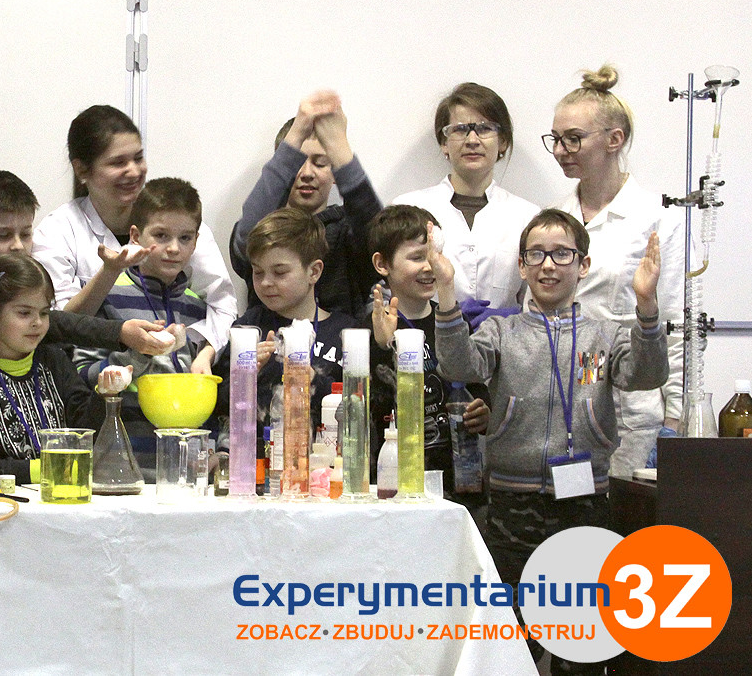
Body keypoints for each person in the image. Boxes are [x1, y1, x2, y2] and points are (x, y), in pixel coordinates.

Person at [433, 209, 666, 672]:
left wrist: (646, 307)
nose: (548, 265)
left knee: (580, 653)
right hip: (509, 514)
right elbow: (459, 365)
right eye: (536, 254)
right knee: (503, 652)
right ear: (522, 266)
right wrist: (446, 293)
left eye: (562, 254)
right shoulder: (501, 331)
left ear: (583, 265)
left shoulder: (605, 335)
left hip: (585, 510)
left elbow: (647, 373)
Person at [0, 170, 170, 436]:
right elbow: (59, 324)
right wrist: (119, 331)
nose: (17, 246)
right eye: (3, 235)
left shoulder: (53, 361)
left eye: (25, 234)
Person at [545, 65, 688, 476]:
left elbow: (675, 324)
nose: (561, 150)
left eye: (573, 138)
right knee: (570, 512)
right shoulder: (554, 218)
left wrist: (675, 419)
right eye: (555, 139)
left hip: (631, 409)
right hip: (562, 402)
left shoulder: (657, 219)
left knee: (627, 511)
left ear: (614, 139)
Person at [33, 104, 238, 352]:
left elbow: (223, 305)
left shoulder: (180, 223)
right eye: (118, 162)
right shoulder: (57, 231)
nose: (133, 171)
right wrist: (109, 273)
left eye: (138, 158)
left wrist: (201, 352)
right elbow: (57, 325)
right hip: (90, 370)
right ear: (81, 169)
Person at [0, 253, 122, 485]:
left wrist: (103, 396)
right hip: (4, 500)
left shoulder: (56, 363)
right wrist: (37, 470)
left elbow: (84, 433)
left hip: (62, 494)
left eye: (44, 312)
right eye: (24, 313)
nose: (37, 322)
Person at [71, 177, 208, 467]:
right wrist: (138, 354)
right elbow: (83, 374)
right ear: (135, 236)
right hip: (121, 460)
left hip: (182, 465)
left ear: (196, 240)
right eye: (161, 235)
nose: (174, 248)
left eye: (185, 238)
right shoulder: (108, 295)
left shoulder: (197, 307)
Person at [364, 205, 490, 508]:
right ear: (382, 264)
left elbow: (474, 383)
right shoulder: (369, 331)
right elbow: (367, 408)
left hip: (458, 482)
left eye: (435, 255)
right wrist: (382, 346)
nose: (429, 266)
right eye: (418, 257)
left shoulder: (451, 322)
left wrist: (483, 411)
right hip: (392, 484)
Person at [205, 208, 360, 443]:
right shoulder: (248, 329)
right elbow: (217, 404)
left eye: (280, 272)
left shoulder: (346, 333)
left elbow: (359, 410)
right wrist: (244, 376)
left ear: (314, 271)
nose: (266, 282)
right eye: (258, 272)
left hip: (327, 459)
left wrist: (313, 380)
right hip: (258, 458)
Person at [229, 90, 383, 317]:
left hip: (341, 338)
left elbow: (379, 237)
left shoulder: (346, 233)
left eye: (320, 163)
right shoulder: (265, 230)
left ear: (335, 173)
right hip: (268, 337)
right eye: (297, 163)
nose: (307, 173)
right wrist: (296, 134)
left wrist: (339, 146)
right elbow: (247, 237)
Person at [393, 82, 540, 316]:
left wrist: (506, 319)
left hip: (504, 338)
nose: (472, 140)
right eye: (460, 129)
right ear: (444, 143)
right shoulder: (408, 208)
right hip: (427, 336)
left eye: (484, 128)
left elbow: (537, 300)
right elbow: (390, 294)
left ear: (502, 141)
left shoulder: (527, 217)